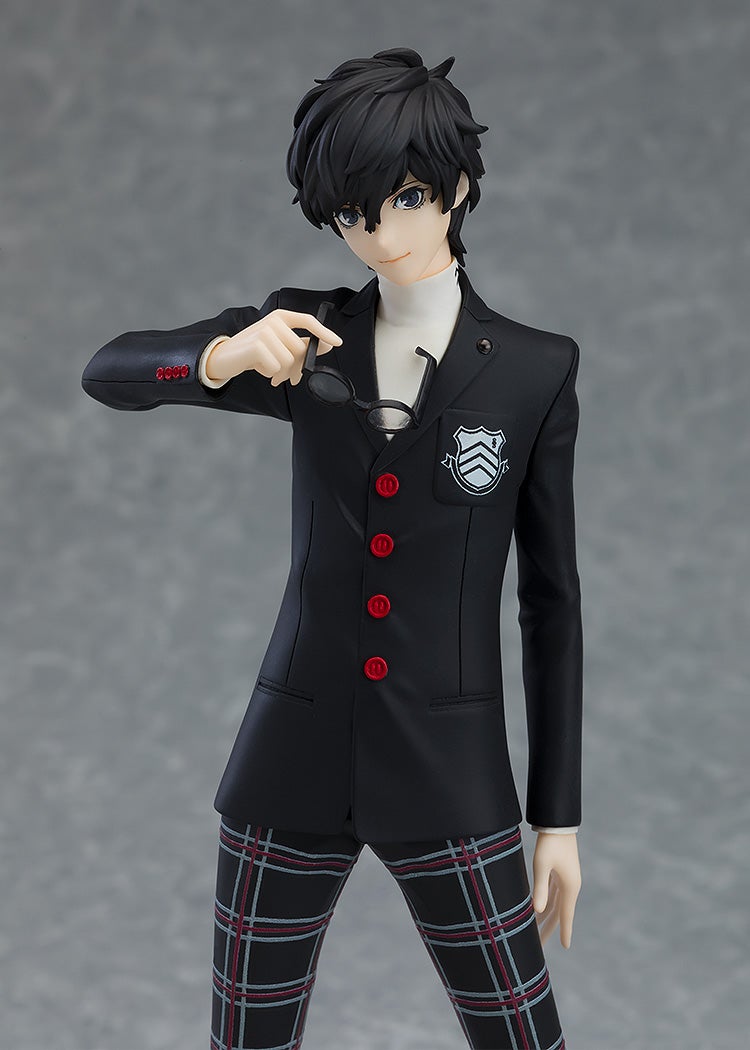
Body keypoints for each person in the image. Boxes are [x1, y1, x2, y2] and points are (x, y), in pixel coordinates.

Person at [82, 47, 583, 1050]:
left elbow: (552, 603)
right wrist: (223, 355)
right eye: (353, 214)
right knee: (247, 1038)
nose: (379, 233)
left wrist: (557, 816)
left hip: (450, 770)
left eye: (404, 199)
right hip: (291, 760)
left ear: (457, 187)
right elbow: (110, 370)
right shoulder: (303, 333)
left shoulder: (533, 370)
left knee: (522, 1035)